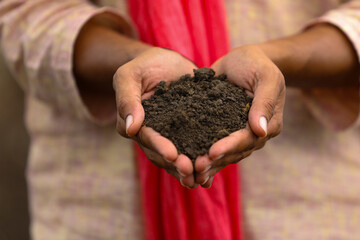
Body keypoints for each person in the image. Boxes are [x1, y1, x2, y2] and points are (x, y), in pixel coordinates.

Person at [0, 0, 359, 239]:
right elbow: (25, 15)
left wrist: (275, 61)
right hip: (100, 209)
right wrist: (131, 61)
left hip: (303, 204)